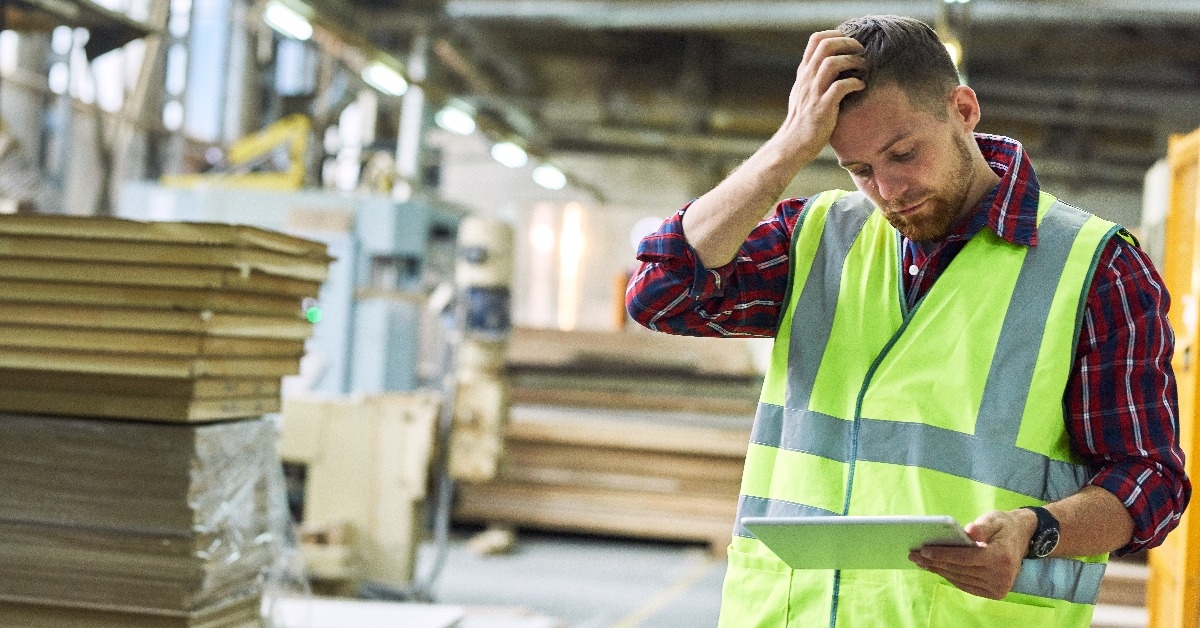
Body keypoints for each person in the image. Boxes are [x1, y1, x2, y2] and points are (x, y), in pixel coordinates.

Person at [625, 14, 1190, 627]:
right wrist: (787, 147)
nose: (890, 188)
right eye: (861, 170)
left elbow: (1150, 481)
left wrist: (1036, 530)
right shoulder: (816, 239)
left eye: (903, 153)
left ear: (963, 110)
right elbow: (662, 292)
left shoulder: (1095, 267)